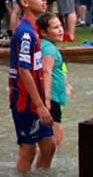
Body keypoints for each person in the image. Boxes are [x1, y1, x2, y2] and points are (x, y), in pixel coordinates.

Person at [8, 0, 55, 173]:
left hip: (35, 100)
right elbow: (24, 70)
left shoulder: (33, 29)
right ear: (25, 2)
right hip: (25, 102)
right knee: (28, 151)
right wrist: (39, 104)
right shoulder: (25, 33)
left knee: (49, 146)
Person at [36, 13, 70, 147]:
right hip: (52, 98)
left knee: (56, 135)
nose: (61, 30)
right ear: (44, 32)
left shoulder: (45, 45)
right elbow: (46, 71)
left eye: (60, 26)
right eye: (55, 28)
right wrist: (47, 99)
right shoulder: (49, 49)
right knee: (55, 139)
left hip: (51, 97)